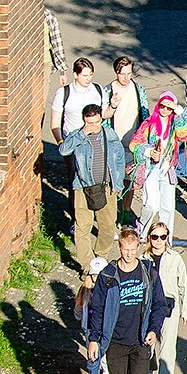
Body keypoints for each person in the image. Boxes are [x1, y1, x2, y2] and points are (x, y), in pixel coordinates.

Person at [88, 227, 172, 374]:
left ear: (138, 248)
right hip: (115, 341)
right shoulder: (108, 275)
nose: (129, 254)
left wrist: (154, 329)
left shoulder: (148, 273)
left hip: (140, 341)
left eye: (133, 250)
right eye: (125, 249)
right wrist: (94, 340)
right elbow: (96, 309)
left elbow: (159, 305)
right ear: (120, 248)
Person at [63, 102, 126, 269]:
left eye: (96, 122)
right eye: (89, 123)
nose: (93, 126)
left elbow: (119, 159)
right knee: (82, 227)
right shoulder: (77, 135)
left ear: (101, 120)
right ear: (84, 121)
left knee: (107, 226)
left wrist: (118, 184)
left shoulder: (109, 134)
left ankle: (101, 258)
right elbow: (63, 150)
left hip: (106, 187)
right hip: (83, 188)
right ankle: (87, 266)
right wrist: (82, 133)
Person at [129, 92, 187, 239]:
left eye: (169, 108)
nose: (165, 110)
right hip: (151, 168)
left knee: (167, 208)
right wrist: (149, 152)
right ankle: (142, 231)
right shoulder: (149, 123)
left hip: (168, 168)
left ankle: (165, 239)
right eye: (162, 106)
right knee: (152, 205)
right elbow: (134, 144)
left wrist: (177, 108)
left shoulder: (176, 125)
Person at [146, 219, 187, 374]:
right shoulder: (143, 259)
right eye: (155, 236)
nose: (158, 240)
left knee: (167, 348)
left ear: (167, 238)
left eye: (162, 237)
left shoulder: (175, 258)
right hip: (148, 307)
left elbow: (184, 286)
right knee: (147, 344)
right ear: (149, 238)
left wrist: (186, 310)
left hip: (169, 306)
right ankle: (148, 372)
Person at [50, 57, 104, 146]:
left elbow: (105, 114)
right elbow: (55, 122)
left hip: (95, 141)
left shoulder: (98, 89)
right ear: (75, 75)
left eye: (90, 75)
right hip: (73, 143)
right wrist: (61, 142)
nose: (88, 79)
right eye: (85, 76)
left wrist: (113, 106)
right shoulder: (63, 93)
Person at [102, 55, 147, 145]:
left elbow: (145, 116)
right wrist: (112, 106)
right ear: (116, 73)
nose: (126, 78)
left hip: (135, 142)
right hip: (115, 142)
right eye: (122, 74)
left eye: (129, 73)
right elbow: (104, 116)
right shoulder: (107, 91)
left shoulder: (139, 90)